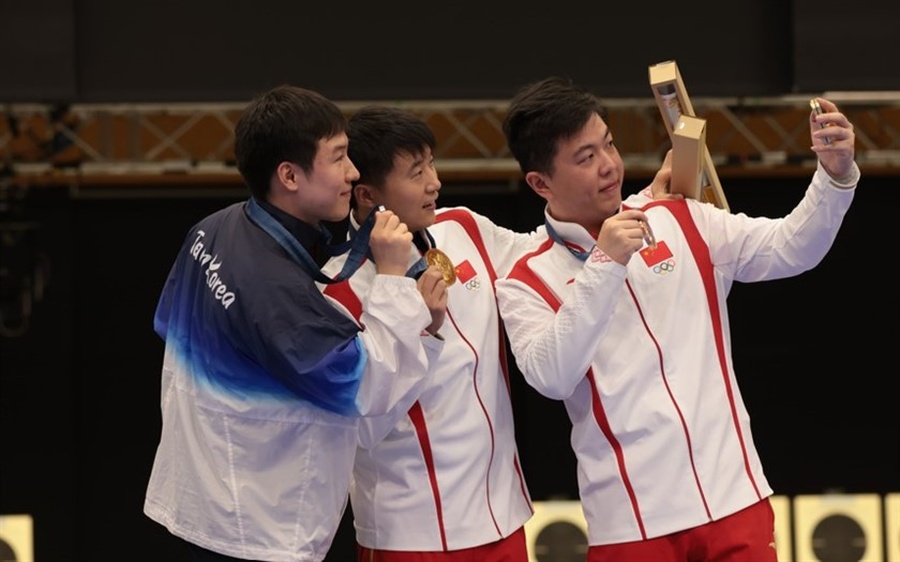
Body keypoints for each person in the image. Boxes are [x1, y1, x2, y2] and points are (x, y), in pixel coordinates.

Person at [495, 76, 857, 562]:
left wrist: (834, 176)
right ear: (540, 183)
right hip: (631, 522)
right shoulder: (524, 279)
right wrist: (605, 264)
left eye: (609, 145)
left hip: (734, 499)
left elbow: (793, 248)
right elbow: (551, 377)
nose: (609, 166)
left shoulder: (678, 216)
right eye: (585, 158)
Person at [144, 85, 445, 562]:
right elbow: (367, 389)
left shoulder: (212, 228)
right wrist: (392, 278)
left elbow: (167, 322)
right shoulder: (274, 291)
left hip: (202, 499)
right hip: (260, 529)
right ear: (289, 175)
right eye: (340, 157)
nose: (353, 172)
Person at [318, 105, 547, 561]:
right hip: (411, 536)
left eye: (431, 163)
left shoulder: (461, 226)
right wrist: (420, 329)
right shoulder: (334, 293)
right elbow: (360, 429)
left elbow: (544, 250)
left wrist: (634, 208)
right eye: (416, 171)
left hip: (502, 518)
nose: (434, 182)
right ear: (367, 194)